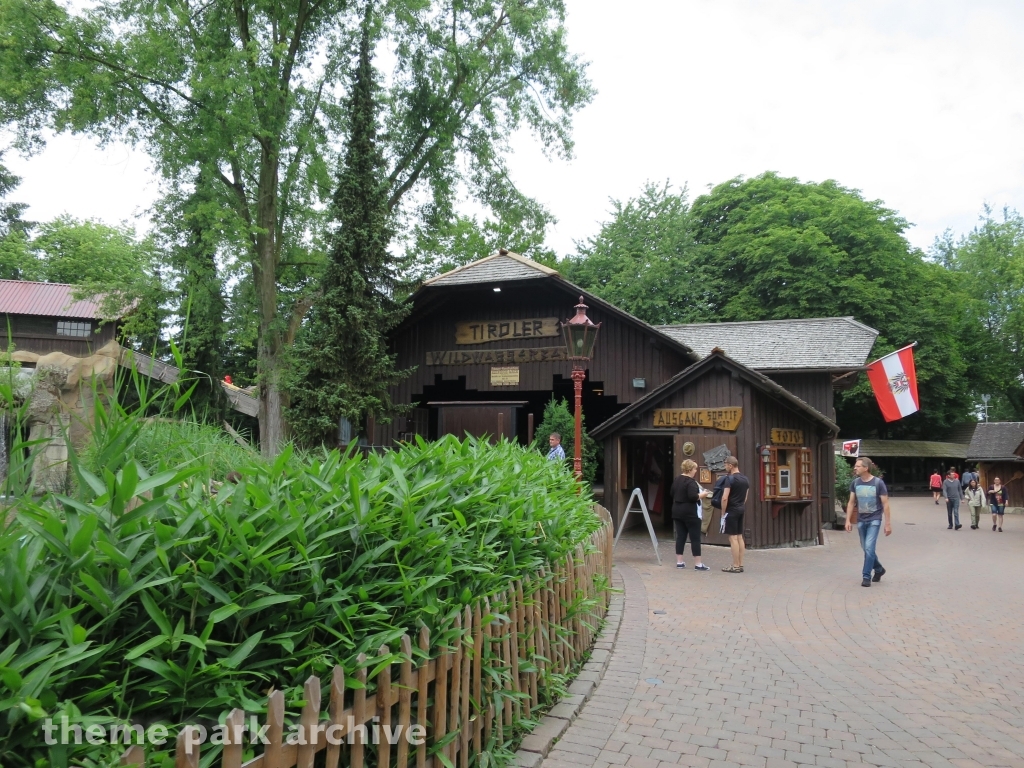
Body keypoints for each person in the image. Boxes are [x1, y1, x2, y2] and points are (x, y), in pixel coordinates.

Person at [845, 456, 892, 587]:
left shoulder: (878, 483)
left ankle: (866, 576)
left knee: (869, 547)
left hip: (874, 519)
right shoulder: (855, 483)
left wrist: (888, 524)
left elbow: (885, 504)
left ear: (866, 468)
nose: (855, 468)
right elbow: (851, 502)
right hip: (861, 519)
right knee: (866, 548)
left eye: (857, 466)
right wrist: (848, 520)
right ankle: (879, 569)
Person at [669, 459, 711, 571]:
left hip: (677, 511)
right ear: (690, 469)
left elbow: (672, 493)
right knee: (695, 538)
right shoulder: (691, 482)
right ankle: (698, 564)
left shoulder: (677, 480)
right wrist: (703, 494)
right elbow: (693, 497)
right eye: (695, 469)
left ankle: (679, 562)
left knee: (680, 536)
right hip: (690, 513)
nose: (696, 471)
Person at [719, 456, 749, 573]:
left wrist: (723, 512)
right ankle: (740, 564)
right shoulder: (745, 479)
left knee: (732, 538)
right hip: (740, 508)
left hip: (731, 510)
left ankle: (735, 565)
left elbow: (724, 498)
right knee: (739, 536)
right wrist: (740, 505)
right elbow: (745, 497)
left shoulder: (729, 479)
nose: (725, 466)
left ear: (730, 465)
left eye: (725, 464)